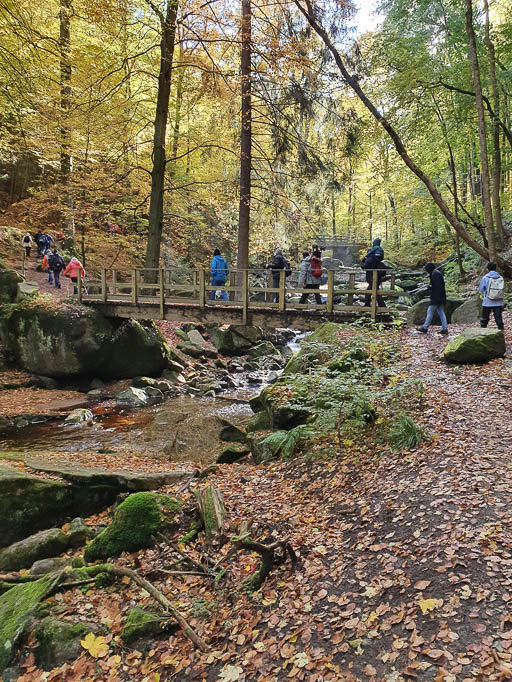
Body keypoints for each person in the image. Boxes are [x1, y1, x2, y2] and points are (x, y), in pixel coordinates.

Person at [417, 262, 448, 334]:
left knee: (430, 311)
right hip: (440, 297)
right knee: (441, 312)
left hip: (437, 297)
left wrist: (434, 297)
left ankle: (425, 327)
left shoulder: (436, 275)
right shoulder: (436, 274)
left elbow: (437, 288)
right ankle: (445, 328)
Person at [479, 261, 505, 330]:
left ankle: (483, 332)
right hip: (498, 301)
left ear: (487, 269)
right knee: (498, 319)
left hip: (487, 301)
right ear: (495, 269)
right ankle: (501, 334)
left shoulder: (485, 278)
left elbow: (481, 289)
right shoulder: (500, 277)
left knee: (485, 319)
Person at [362, 237, 386, 307]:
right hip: (377, 279)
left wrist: (363, 260)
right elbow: (383, 272)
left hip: (371, 278)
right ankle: (368, 305)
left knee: (374, 292)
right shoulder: (380, 261)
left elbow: (364, 267)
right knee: (371, 292)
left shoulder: (369, 259)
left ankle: (382, 307)